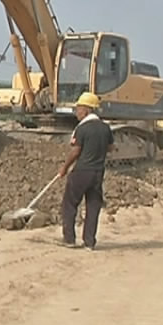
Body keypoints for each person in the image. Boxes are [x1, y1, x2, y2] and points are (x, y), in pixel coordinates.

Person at [58, 91, 114, 250]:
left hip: (82, 171)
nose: (76, 112)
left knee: (69, 204)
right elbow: (111, 148)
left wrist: (64, 168)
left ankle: (69, 239)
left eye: (79, 108)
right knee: (93, 205)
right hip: (98, 173)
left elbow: (75, 151)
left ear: (88, 110)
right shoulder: (105, 128)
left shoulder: (82, 129)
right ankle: (89, 242)